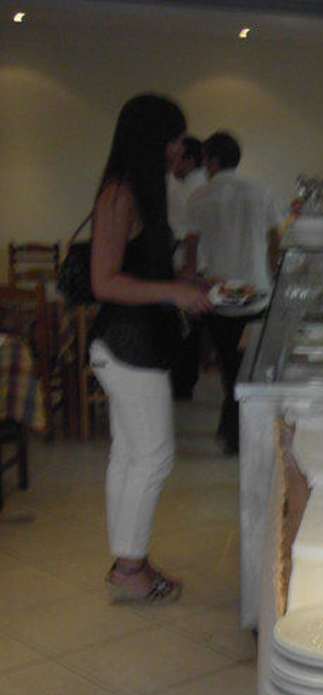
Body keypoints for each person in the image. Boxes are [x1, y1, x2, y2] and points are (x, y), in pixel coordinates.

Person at [89, 93, 211, 603]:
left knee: (130, 456)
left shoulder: (140, 190)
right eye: (175, 138)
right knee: (154, 457)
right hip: (127, 346)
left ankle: (128, 563)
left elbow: (142, 269)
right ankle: (130, 569)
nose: (180, 148)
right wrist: (173, 292)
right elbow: (104, 282)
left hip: (133, 344)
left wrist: (187, 283)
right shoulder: (121, 193)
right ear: (153, 139)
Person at [184, 131, 281, 454]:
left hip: (220, 293)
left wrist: (189, 281)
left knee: (228, 365)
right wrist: (273, 271)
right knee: (250, 366)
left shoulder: (199, 196)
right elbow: (275, 238)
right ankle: (239, 432)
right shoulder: (261, 190)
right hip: (257, 291)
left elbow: (191, 245)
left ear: (212, 161)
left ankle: (233, 432)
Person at [167, 135, 208, 400]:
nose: (173, 163)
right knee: (189, 326)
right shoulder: (191, 185)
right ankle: (185, 381)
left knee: (185, 326)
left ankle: (182, 382)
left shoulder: (191, 189)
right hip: (194, 263)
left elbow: (188, 233)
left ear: (190, 160)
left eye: (178, 158)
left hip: (187, 264)